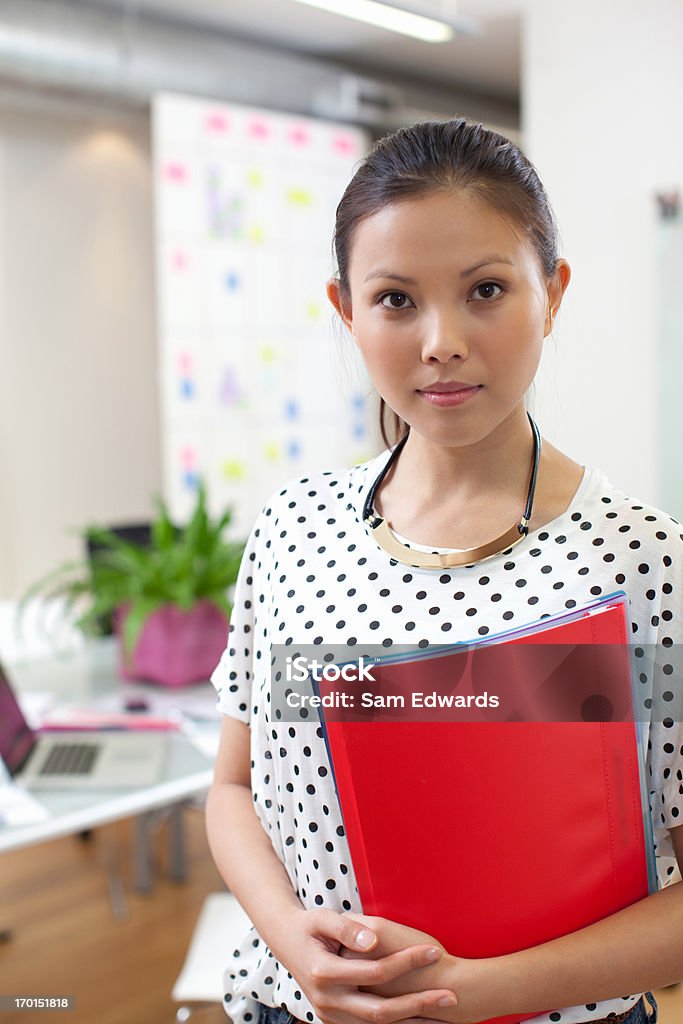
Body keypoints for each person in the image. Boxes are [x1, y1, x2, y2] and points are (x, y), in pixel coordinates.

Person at [205, 118, 683, 1024]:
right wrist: (292, 940)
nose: (440, 341)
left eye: (486, 290)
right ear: (345, 310)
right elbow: (233, 789)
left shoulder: (647, 565)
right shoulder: (291, 532)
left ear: (552, 293)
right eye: (394, 300)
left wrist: (470, 995)